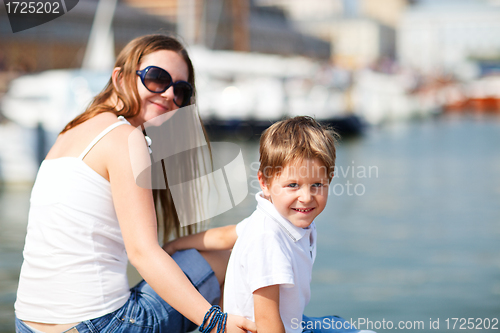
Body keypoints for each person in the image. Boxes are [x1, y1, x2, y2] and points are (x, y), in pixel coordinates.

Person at [14, 34, 256, 333]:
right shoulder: (125, 137)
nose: (169, 95)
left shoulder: (71, 130)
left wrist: (177, 246)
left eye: (181, 90)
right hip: (98, 325)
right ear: (119, 78)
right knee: (230, 260)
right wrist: (215, 322)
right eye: (156, 78)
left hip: (26, 323)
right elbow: (142, 253)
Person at [165, 116, 371, 333]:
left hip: (291, 321)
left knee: (338, 324)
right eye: (293, 185)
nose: (306, 197)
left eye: (317, 185)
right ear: (265, 183)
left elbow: (224, 237)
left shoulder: (272, 217)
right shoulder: (268, 238)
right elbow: (266, 320)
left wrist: (175, 245)